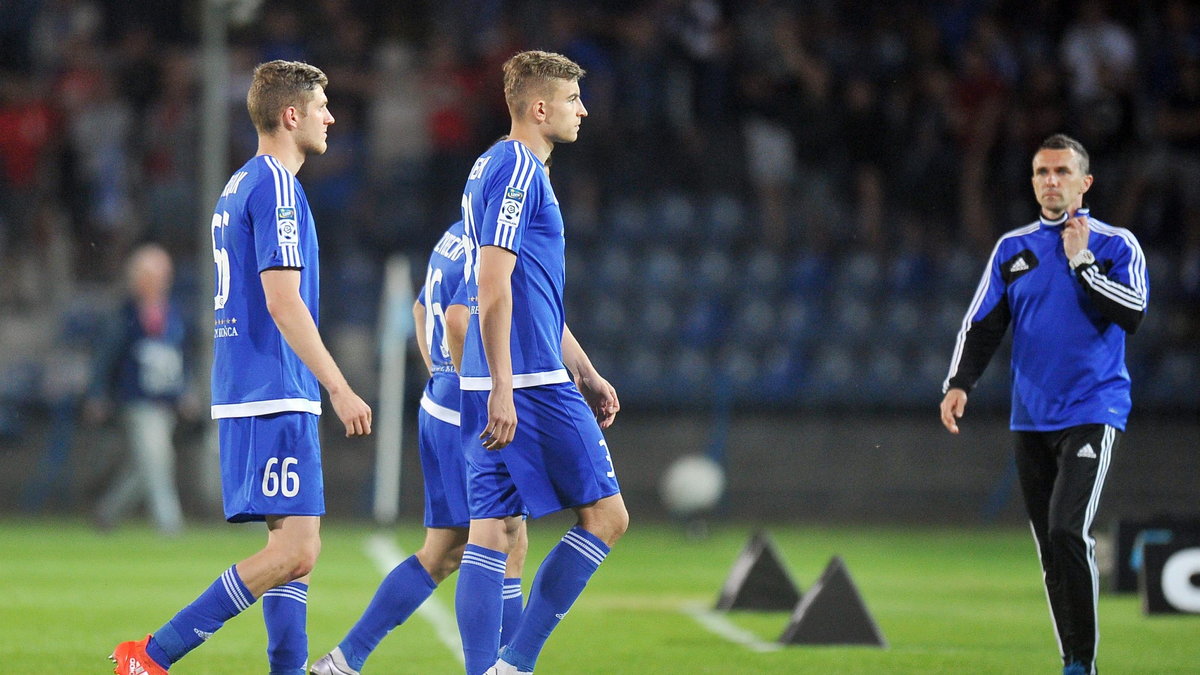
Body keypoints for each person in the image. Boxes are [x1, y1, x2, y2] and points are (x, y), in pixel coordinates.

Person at [110, 60, 373, 675]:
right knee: (296, 551)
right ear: (290, 115)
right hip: (272, 388)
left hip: (254, 386)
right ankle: (150, 656)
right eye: (320, 106)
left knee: (292, 552)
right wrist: (337, 386)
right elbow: (283, 301)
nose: (331, 117)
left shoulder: (238, 185)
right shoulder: (277, 185)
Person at [939, 133, 1148, 675]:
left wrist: (1082, 266)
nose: (1050, 181)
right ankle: (1073, 661)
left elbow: (1133, 312)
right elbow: (982, 322)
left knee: (1066, 530)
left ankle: (1084, 662)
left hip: (1093, 410)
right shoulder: (1013, 248)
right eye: (1041, 172)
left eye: (1061, 171)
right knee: (1050, 551)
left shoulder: (1116, 244)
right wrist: (960, 381)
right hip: (1030, 417)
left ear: (1085, 182)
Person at [455, 50, 628, 675]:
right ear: (539, 107)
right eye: (573, 99)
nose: (582, 110)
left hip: (500, 372)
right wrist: (506, 384)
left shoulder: (489, 166)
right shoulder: (522, 169)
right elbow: (493, 284)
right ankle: (515, 664)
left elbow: (532, 298)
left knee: (491, 534)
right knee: (607, 517)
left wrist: (584, 367)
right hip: (524, 381)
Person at [310, 220, 529, 674]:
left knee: (444, 552)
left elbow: (417, 310)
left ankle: (345, 660)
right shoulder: (491, 241)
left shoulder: (452, 233)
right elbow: (457, 319)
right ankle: (504, 667)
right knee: (505, 537)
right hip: (465, 409)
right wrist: (482, 390)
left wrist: (442, 375)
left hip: (438, 403)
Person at [87, 242, 194, 536]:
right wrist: (97, 394)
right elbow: (106, 357)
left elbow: (181, 356)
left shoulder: (174, 313)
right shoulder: (124, 314)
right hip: (137, 401)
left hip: (166, 400)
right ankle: (169, 524)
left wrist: (185, 389)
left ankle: (107, 511)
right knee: (158, 459)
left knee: (144, 465)